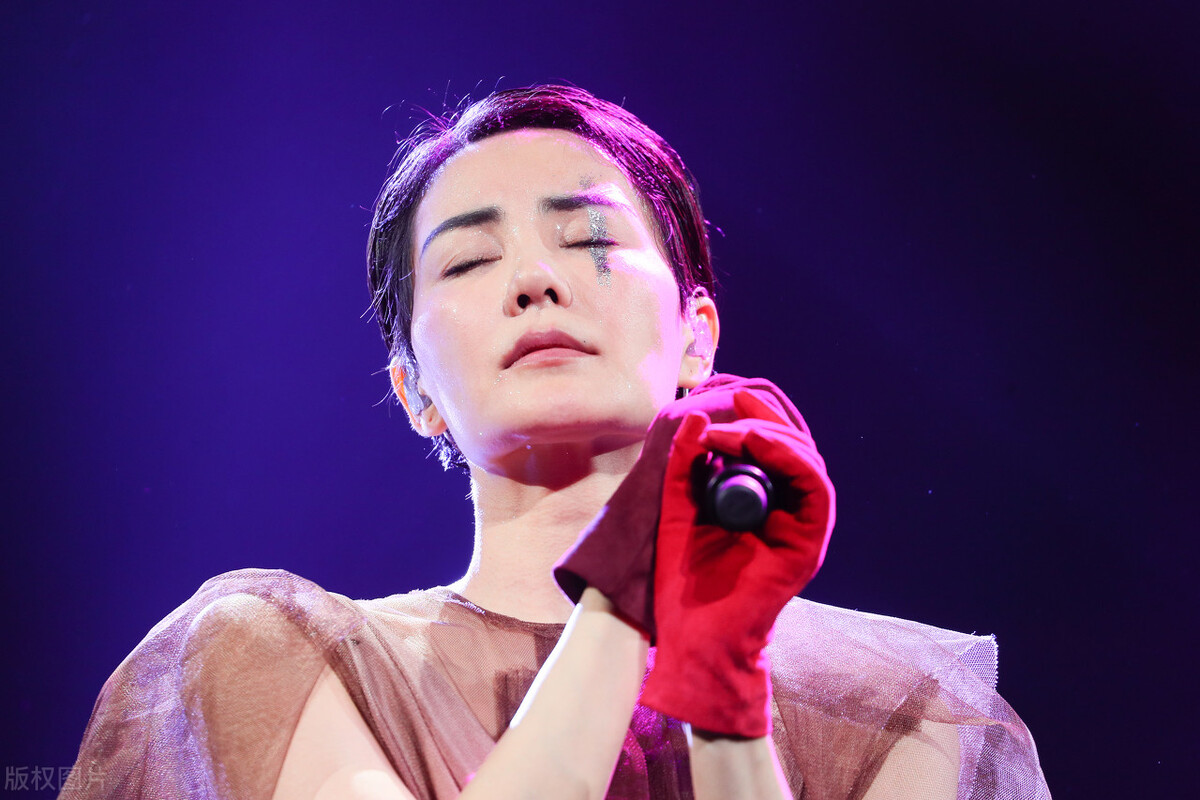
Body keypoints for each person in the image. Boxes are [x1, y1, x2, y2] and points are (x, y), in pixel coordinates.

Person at [59, 85, 1050, 800]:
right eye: (470, 260)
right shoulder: (267, 657)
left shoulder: (895, 705)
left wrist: (723, 688)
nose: (535, 281)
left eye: (590, 243)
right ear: (415, 392)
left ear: (697, 337)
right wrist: (628, 589)